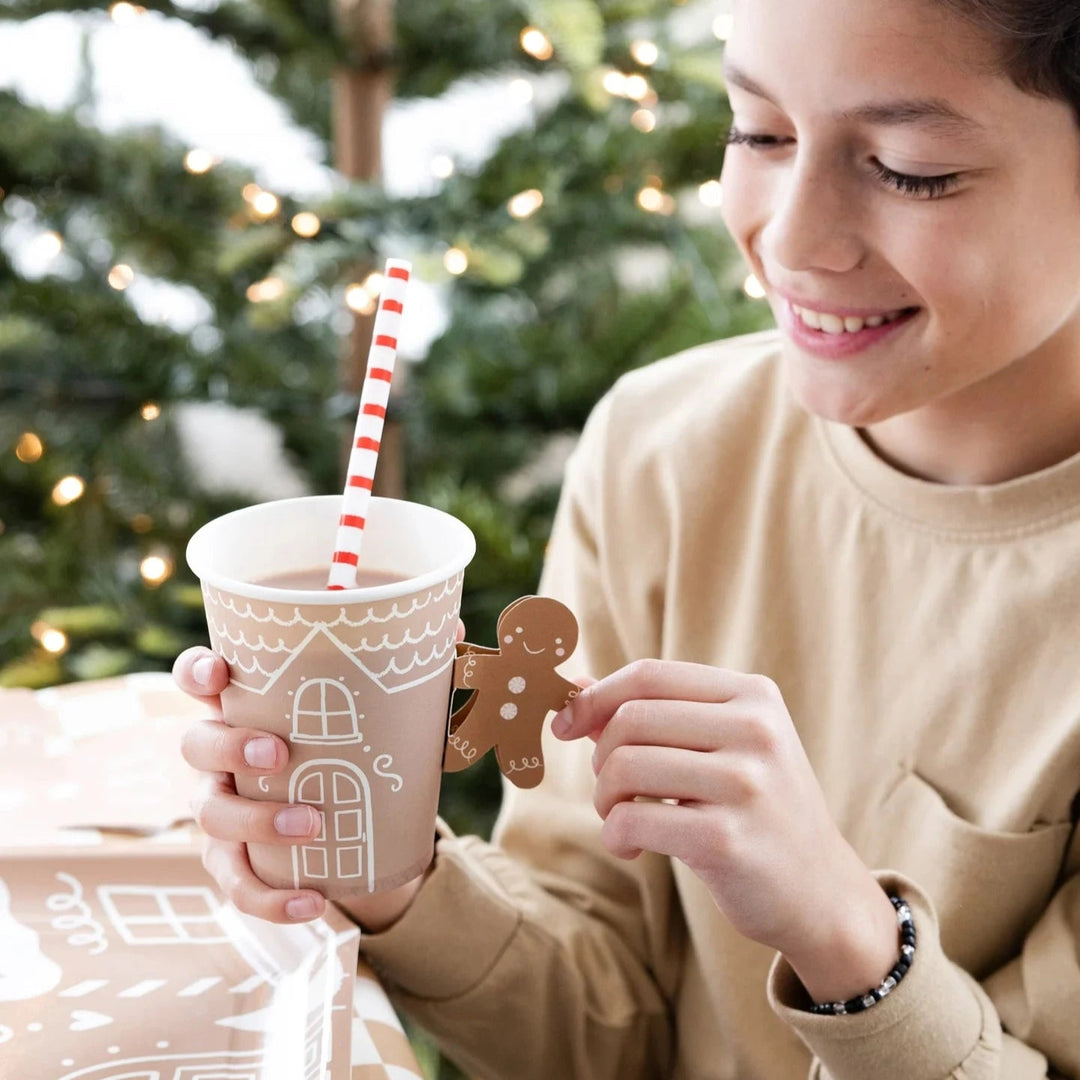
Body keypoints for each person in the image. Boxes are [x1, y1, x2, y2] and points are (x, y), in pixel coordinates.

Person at [173, 0, 1080, 1074]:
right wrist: (394, 885)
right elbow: (604, 1021)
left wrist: (847, 938)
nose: (788, 237)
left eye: (909, 166)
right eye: (759, 133)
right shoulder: (664, 451)